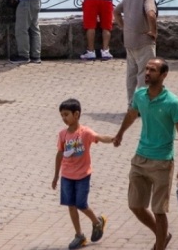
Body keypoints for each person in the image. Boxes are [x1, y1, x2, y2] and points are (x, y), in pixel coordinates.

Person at [114, 58, 178, 250]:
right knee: (135, 206)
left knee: (159, 210)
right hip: (140, 158)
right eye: (146, 69)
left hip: (162, 162)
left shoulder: (172, 102)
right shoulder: (140, 95)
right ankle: (162, 235)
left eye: (153, 70)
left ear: (163, 75)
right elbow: (132, 114)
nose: (147, 73)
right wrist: (120, 134)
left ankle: (159, 245)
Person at [52, 98, 113, 249]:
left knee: (81, 204)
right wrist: (55, 176)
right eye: (62, 115)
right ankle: (79, 235)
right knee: (71, 205)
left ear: (76, 114)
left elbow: (99, 137)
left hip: (82, 176)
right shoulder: (62, 135)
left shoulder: (85, 133)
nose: (64, 118)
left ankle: (97, 222)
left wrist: (114, 138)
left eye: (66, 114)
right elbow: (59, 154)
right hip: (67, 176)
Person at [114, 0, 158, 107]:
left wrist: (123, 27)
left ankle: (131, 104)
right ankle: (141, 105)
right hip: (144, 40)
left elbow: (116, 11)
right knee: (145, 74)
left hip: (129, 40)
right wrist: (154, 31)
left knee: (131, 74)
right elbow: (151, 14)